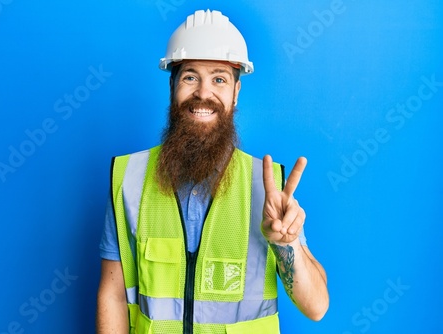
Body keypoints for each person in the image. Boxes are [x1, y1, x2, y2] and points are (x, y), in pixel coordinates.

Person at [96, 9, 329, 333]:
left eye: (219, 78)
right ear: (172, 86)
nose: (203, 93)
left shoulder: (268, 189)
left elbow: (316, 308)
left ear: (235, 93)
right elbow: (113, 294)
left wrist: (287, 245)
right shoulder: (130, 178)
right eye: (190, 76)